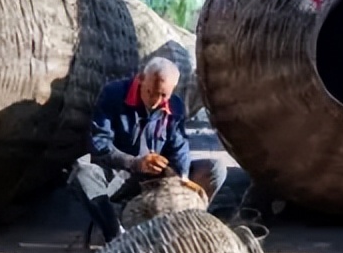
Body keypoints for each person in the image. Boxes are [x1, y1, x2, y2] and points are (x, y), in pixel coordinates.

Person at [68, 57, 227, 243]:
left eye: (163, 95)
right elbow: (99, 143)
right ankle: (116, 235)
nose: (155, 101)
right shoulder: (113, 94)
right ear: (141, 79)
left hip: (157, 179)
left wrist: (181, 176)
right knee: (83, 174)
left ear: (173, 90)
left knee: (215, 169)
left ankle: (184, 222)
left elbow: (179, 147)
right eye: (150, 92)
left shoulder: (175, 106)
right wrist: (134, 162)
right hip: (120, 175)